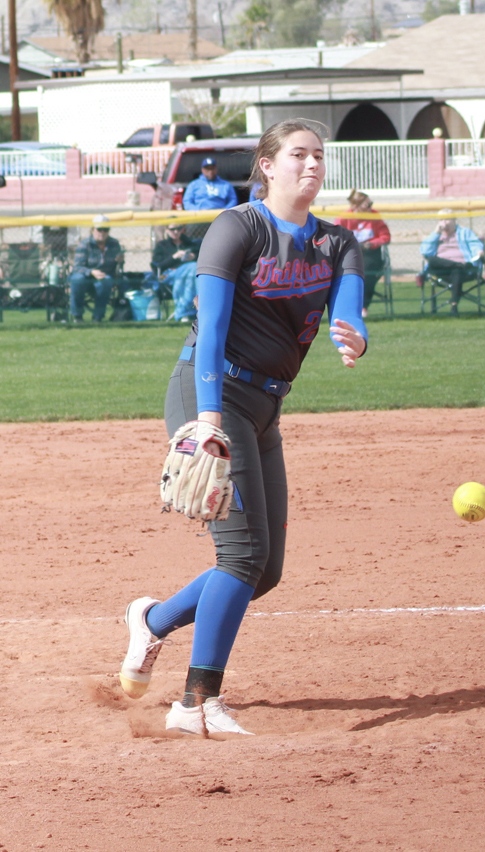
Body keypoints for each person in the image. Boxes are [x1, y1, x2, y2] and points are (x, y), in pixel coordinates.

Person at [119, 118, 367, 737]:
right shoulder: (237, 229)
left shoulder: (337, 244)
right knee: (242, 554)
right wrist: (207, 420)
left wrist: (354, 333)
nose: (311, 165)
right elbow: (212, 327)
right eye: (298, 155)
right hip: (211, 390)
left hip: (266, 404)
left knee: (266, 569)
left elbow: (349, 305)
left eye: (318, 156)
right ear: (267, 165)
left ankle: (152, 623)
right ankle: (196, 702)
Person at [335, 189, 391, 317]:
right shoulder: (344, 218)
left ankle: (363, 306)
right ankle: (346, 305)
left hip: (370, 253)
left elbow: (385, 236)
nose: (371, 207)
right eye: (367, 205)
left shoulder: (374, 216)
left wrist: (372, 244)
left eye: (371, 204)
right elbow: (336, 237)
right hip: (350, 253)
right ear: (355, 206)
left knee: (367, 272)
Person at [420, 210, 484, 316]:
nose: (444, 223)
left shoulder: (465, 232)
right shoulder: (436, 235)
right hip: (441, 269)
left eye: (447, 219)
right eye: (441, 220)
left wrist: (479, 251)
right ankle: (458, 265)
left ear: (454, 220)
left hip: (461, 271)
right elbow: (425, 251)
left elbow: (475, 245)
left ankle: (454, 305)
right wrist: (436, 233)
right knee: (432, 260)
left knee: (457, 270)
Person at [68, 215, 124, 322]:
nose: (102, 232)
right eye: (99, 229)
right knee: (77, 280)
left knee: (106, 281)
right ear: (93, 230)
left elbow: (117, 265)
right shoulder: (85, 244)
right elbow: (77, 266)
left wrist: (119, 260)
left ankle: (98, 317)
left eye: (105, 229)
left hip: (104, 275)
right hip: (85, 275)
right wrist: (92, 271)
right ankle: (77, 316)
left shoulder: (114, 244)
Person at [151, 223, 201, 323]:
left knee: (191, 272)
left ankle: (185, 312)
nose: (176, 232)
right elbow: (157, 266)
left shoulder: (190, 243)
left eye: (178, 229)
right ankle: (187, 311)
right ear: (166, 231)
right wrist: (174, 257)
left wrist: (193, 257)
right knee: (192, 268)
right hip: (166, 275)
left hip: (188, 275)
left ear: (183, 230)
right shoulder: (162, 245)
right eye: (172, 229)